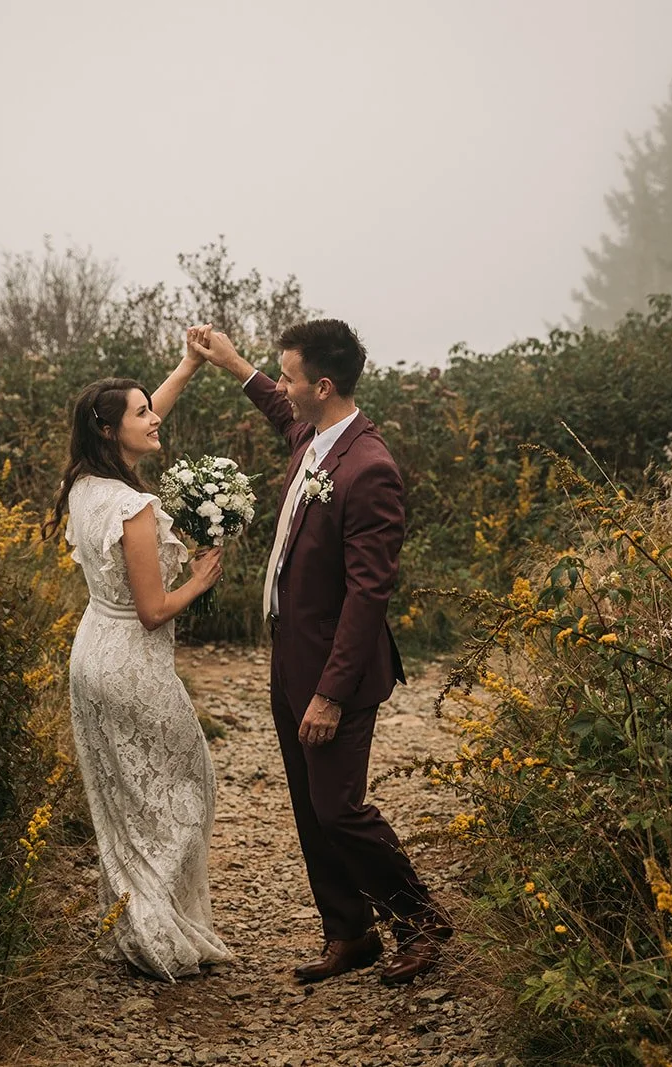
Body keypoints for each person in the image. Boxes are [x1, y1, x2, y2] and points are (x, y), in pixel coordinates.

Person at [193, 319, 451, 985]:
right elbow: (278, 405)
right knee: (311, 806)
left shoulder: (370, 469)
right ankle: (349, 931)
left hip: (335, 673)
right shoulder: (313, 433)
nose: (282, 385)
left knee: (339, 806)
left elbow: (369, 595)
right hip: (290, 656)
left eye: (289, 374)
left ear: (324, 385)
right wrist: (231, 363)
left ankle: (419, 920)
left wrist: (331, 693)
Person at [41, 328, 233, 980]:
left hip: (92, 649)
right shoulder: (135, 507)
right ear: (110, 430)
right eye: (142, 412)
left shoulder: (84, 484)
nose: (155, 419)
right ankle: (158, 930)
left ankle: (133, 922)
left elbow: (145, 416)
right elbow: (154, 609)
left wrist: (185, 367)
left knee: (129, 798)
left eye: (153, 406)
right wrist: (200, 583)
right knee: (187, 785)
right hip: (131, 658)